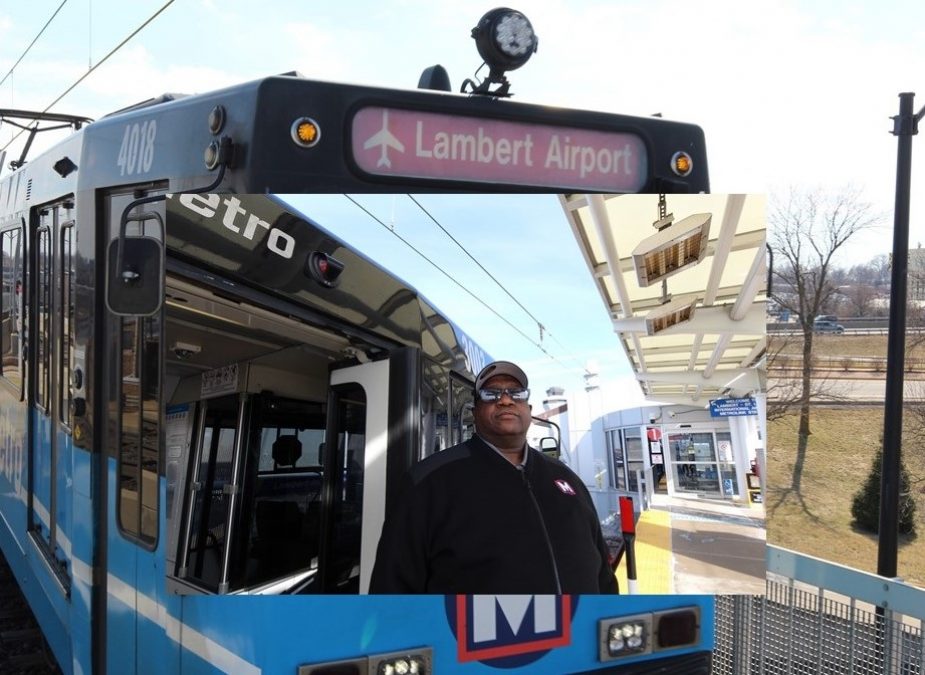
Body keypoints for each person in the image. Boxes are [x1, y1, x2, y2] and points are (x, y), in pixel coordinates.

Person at [369, 360, 618, 594]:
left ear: (529, 410)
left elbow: (604, 578)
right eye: (492, 394)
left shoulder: (566, 479)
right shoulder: (427, 482)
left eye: (516, 393)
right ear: (475, 411)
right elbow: (392, 589)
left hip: (580, 636)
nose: (506, 400)